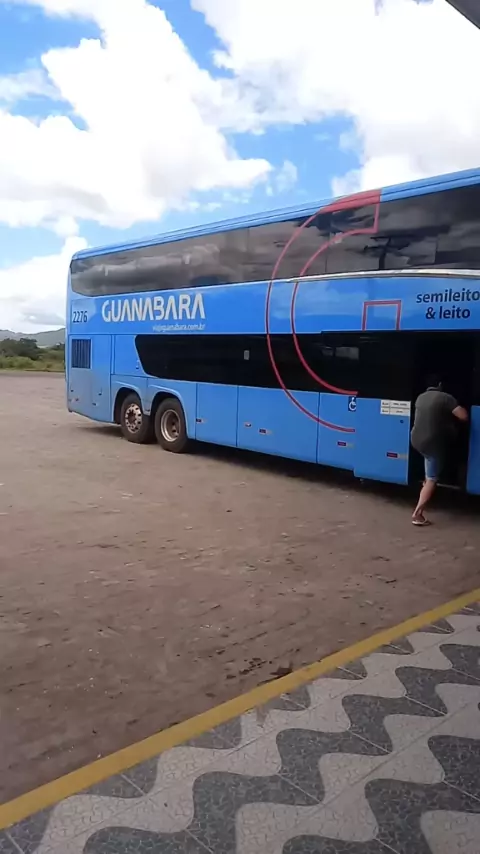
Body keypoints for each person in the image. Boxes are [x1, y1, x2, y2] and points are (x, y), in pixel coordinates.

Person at [410, 375, 468, 526]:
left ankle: (426, 483)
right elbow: (463, 416)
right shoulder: (446, 398)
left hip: (416, 440)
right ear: (440, 384)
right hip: (432, 443)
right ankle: (417, 514)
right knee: (432, 479)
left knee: (429, 466)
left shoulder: (421, 397)